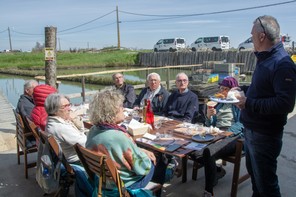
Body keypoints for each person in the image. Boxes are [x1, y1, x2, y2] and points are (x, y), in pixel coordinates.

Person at [236, 15, 296, 197]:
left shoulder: (282, 64)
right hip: (252, 131)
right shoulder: (265, 59)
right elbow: (262, 89)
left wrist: (249, 103)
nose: (250, 35)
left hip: (264, 135)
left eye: (252, 32)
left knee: (267, 187)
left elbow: (284, 104)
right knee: (257, 183)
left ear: (262, 36)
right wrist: (243, 89)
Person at [86, 88, 167, 196]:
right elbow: (143, 168)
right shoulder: (119, 136)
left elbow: (117, 150)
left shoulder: (93, 130)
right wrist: (147, 156)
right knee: (158, 159)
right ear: (111, 111)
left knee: (147, 154)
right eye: (120, 106)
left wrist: (139, 149)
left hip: (104, 180)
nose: (123, 108)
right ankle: (156, 191)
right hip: (126, 184)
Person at [202, 76, 244, 197]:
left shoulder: (239, 103)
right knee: (193, 150)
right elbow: (209, 124)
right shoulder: (218, 103)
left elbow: (242, 123)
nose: (222, 91)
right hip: (216, 132)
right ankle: (217, 171)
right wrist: (209, 116)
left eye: (225, 89)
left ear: (233, 91)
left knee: (208, 151)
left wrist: (226, 133)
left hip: (233, 137)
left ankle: (208, 190)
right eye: (221, 88)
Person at [44, 93, 87, 164]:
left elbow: (80, 133)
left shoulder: (51, 122)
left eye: (69, 105)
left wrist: (75, 120)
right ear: (54, 110)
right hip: (78, 162)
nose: (69, 109)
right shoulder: (61, 127)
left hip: (67, 159)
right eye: (65, 106)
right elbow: (86, 144)